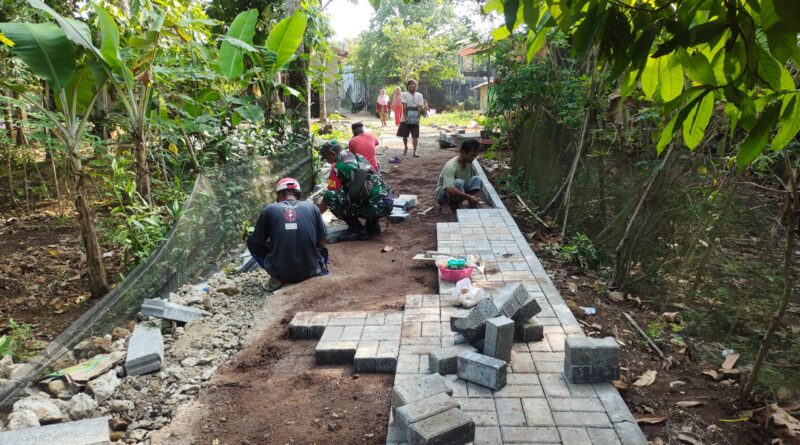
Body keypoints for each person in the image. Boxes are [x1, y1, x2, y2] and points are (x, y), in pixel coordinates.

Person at [247, 178, 328, 292]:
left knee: (251, 240)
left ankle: (276, 277)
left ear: (278, 196)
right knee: (321, 247)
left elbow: (258, 241)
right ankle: (320, 268)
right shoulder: (312, 208)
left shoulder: (269, 209)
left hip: (283, 275)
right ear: (299, 195)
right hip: (312, 271)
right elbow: (322, 242)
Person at [319, 141, 393, 241]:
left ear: (333, 153)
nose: (328, 161)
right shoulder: (358, 156)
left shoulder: (338, 167)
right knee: (363, 190)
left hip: (374, 208)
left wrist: (314, 214)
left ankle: (356, 229)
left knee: (330, 196)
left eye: (327, 158)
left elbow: (330, 194)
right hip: (387, 202)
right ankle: (372, 224)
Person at [434, 138, 484, 211]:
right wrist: (469, 196)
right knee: (459, 182)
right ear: (463, 152)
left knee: (477, 180)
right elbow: (449, 189)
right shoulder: (451, 166)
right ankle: (445, 204)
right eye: (472, 155)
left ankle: (464, 202)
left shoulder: (468, 162)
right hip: (444, 193)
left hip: (458, 189)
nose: (474, 158)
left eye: (475, 155)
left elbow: (468, 182)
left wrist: (470, 197)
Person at [397, 79, 424, 157]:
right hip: (405, 115)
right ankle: (406, 147)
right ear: (407, 86)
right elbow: (404, 106)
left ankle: (414, 152)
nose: (411, 86)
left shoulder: (419, 95)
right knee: (405, 135)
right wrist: (405, 117)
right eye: (410, 85)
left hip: (415, 115)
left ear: (415, 86)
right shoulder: (404, 94)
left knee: (415, 135)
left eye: (413, 84)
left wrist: (419, 117)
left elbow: (419, 107)